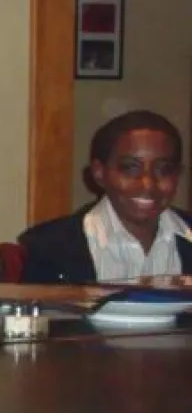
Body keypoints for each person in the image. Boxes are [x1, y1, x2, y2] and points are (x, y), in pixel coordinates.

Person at [20, 110, 191, 283]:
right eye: (130, 168)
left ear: (178, 174)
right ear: (99, 173)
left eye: (164, 169)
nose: (148, 184)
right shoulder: (50, 247)